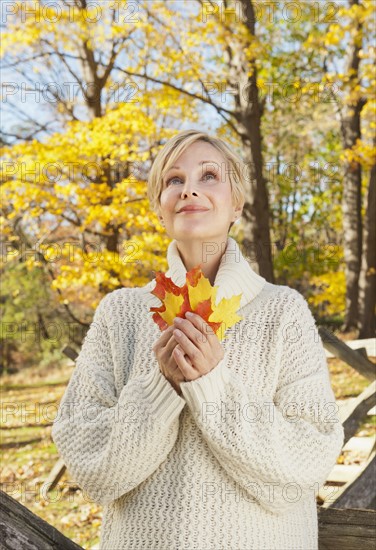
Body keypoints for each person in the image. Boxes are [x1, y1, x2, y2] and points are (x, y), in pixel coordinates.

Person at [52, 129, 345, 550]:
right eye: (173, 180)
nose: (189, 189)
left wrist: (212, 385)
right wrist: (160, 388)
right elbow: (88, 459)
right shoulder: (119, 313)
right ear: (159, 208)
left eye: (209, 176)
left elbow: (311, 455)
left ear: (237, 203)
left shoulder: (284, 310)